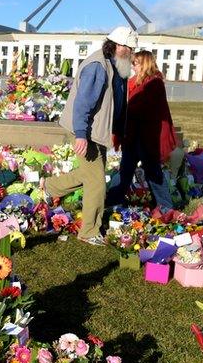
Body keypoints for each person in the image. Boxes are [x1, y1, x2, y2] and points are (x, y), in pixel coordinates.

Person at [42, 26, 137, 245]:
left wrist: (117, 133)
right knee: (96, 183)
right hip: (86, 131)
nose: (132, 53)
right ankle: (89, 231)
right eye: (130, 48)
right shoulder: (98, 67)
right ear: (119, 46)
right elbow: (82, 104)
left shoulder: (115, 65)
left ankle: (50, 187)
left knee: (90, 174)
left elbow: (116, 103)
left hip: (96, 131)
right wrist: (82, 135)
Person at [106, 50, 178, 211]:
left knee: (153, 172)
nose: (133, 66)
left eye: (136, 63)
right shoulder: (133, 82)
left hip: (147, 137)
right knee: (125, 171)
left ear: (145, 64)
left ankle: (165, 207)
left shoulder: (155, 83)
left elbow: (142, 107)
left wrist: (125, 108)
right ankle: (112, 201)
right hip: (132, 135)